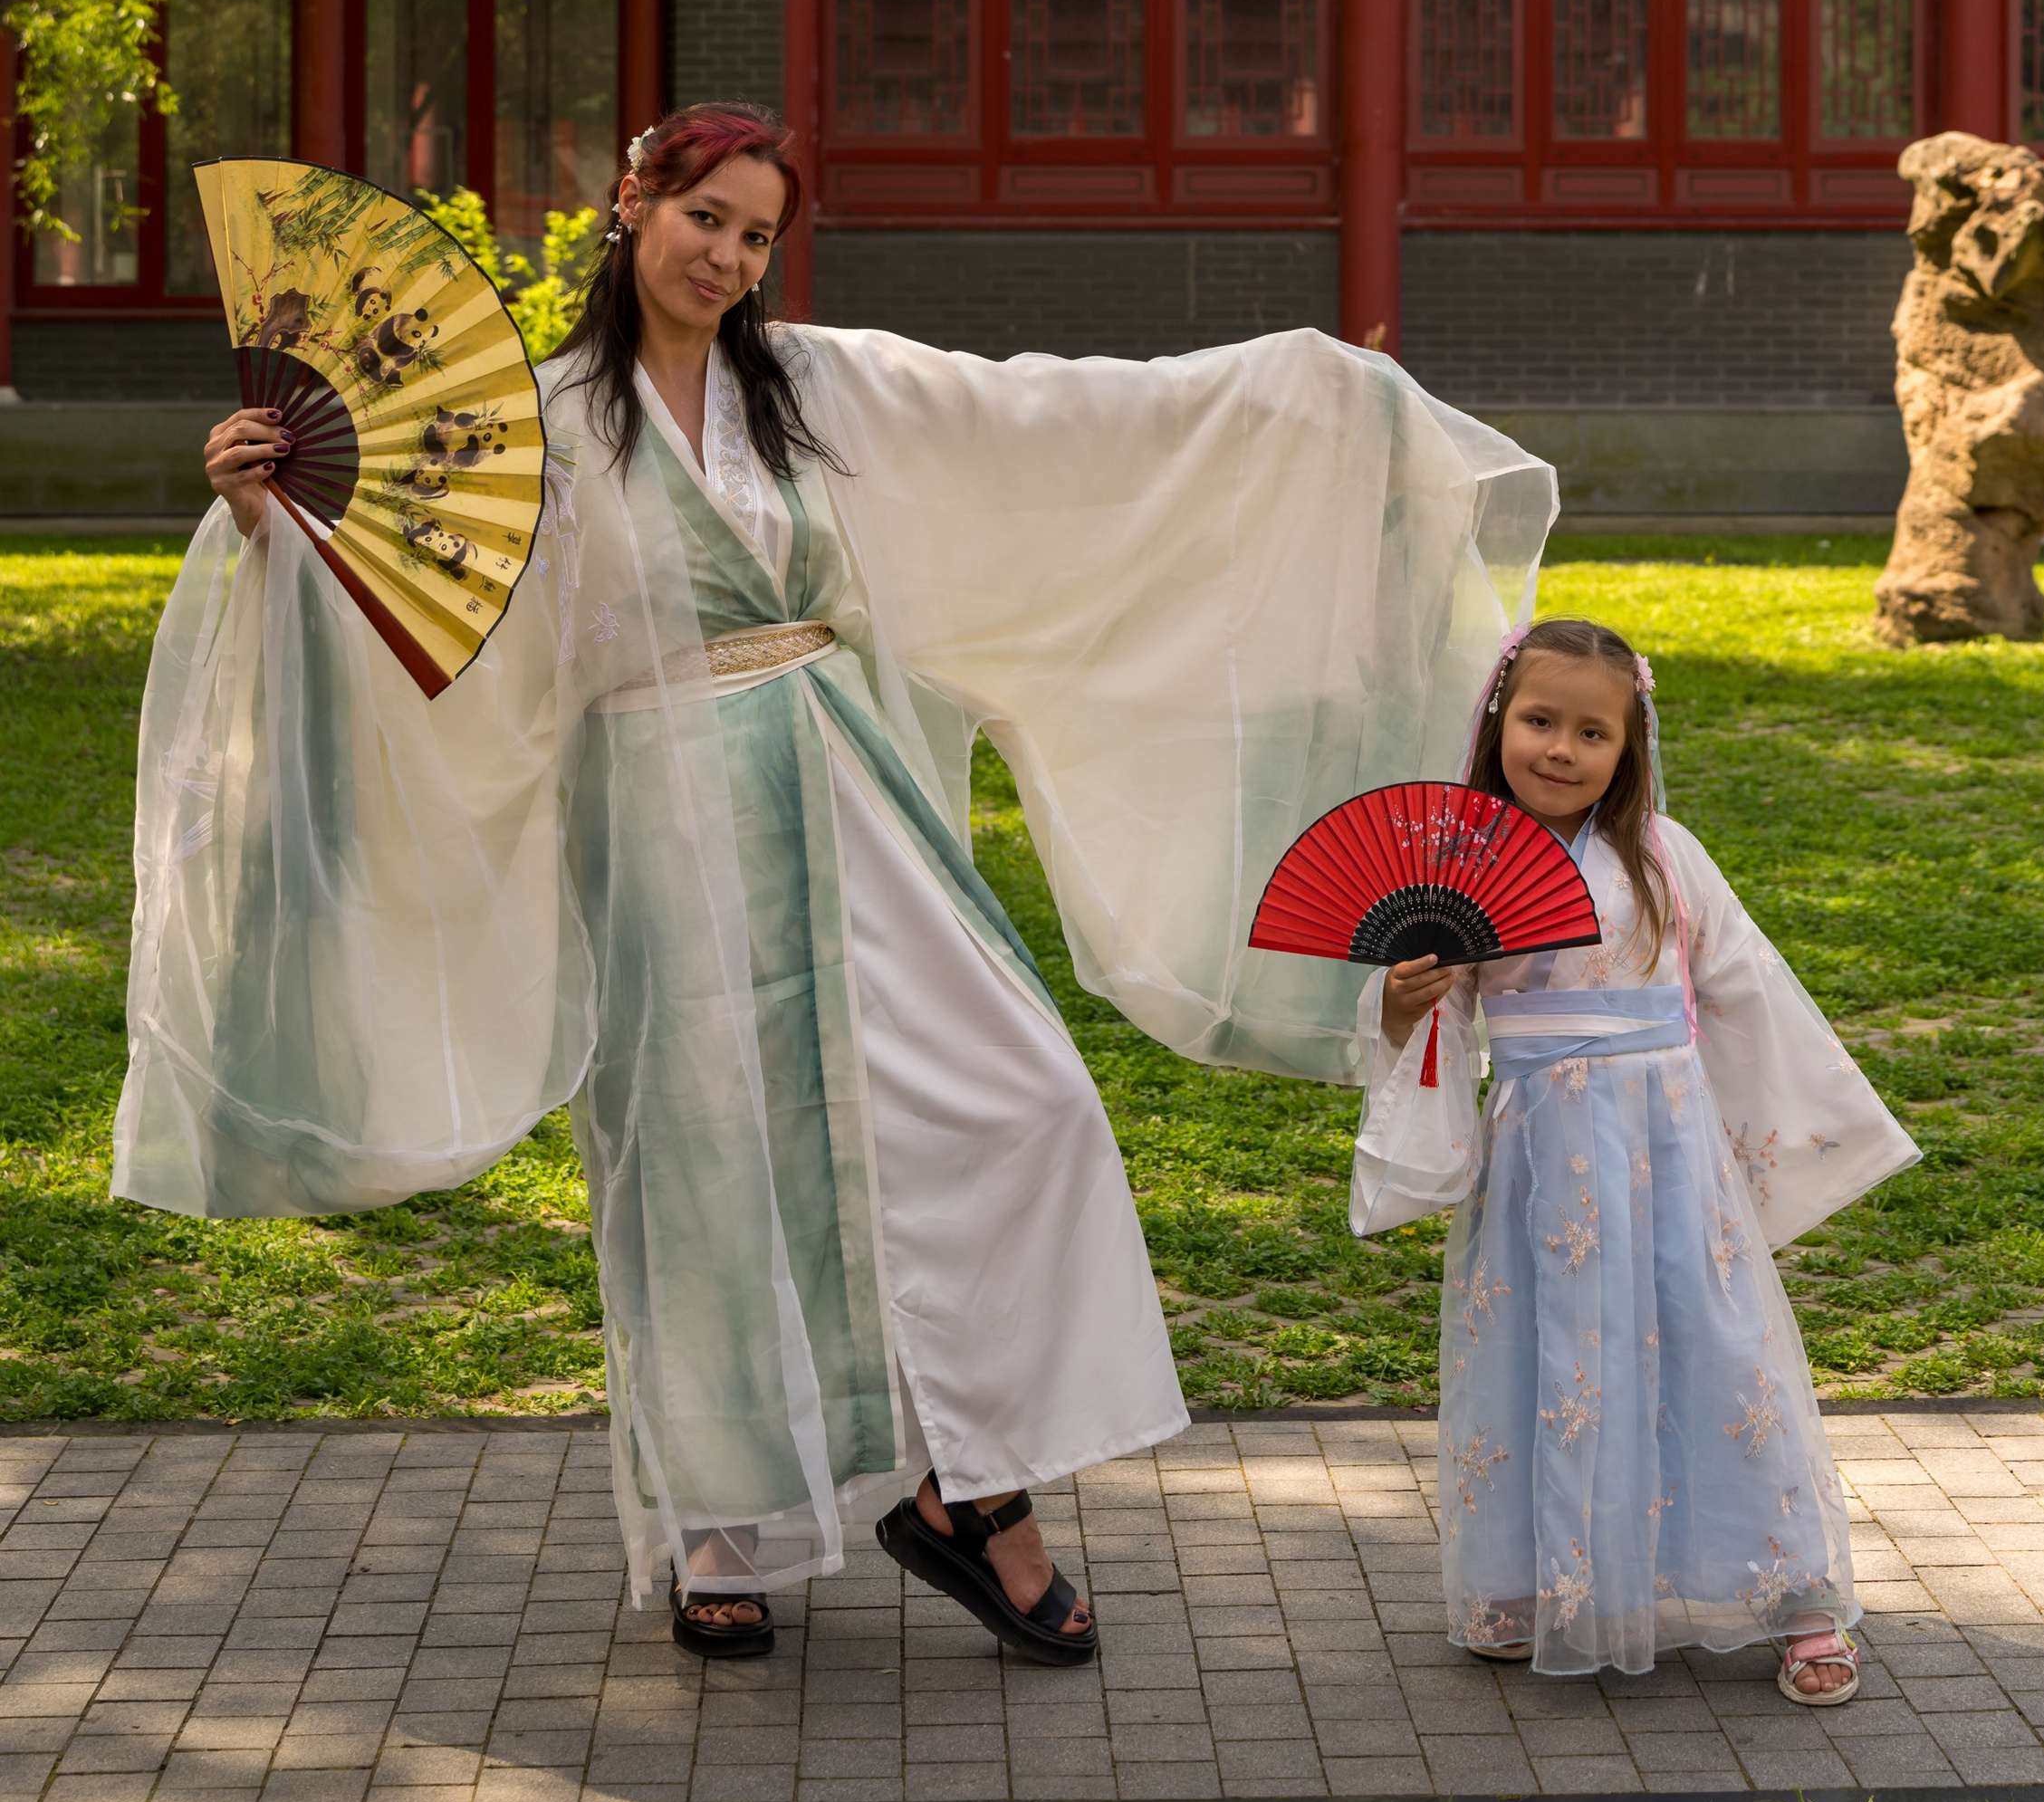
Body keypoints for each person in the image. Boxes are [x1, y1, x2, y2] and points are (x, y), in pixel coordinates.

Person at [120, 102, 1552, 1662]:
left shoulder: (814, 389)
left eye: (755, 234)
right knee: (702, 1149)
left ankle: (969, 1485)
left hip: (843, 779)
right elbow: (419, 621)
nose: (728, 257)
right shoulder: (528, 429)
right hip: (659, 811)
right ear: (634, 205)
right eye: (706, 219)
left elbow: (1046, 422)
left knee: (1020, 1101)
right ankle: (719, 1521)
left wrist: (1295, 396)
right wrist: (279, 522)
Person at [1360, 616, 1917, 1707]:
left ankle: (1797, 1596)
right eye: (1537, 721)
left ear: (1629, 747)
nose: (1559, 750)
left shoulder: (1664, 854)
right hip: (1537, 1161)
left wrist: (1784, 1136)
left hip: (1665, 1147)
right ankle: (1536, 1580)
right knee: (1539, 1350)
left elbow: (1746, 987)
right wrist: (1398, 1006)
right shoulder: (1457, 868)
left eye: (1590, 732)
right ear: (1493, 722)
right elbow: (1434, 1031)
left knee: (1712, 1347)